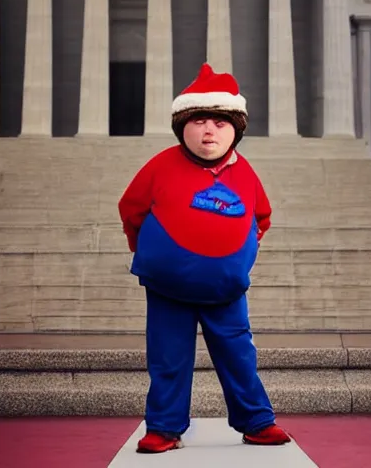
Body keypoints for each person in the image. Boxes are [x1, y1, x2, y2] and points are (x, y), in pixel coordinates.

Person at [118, 63, 291, 454]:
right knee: (168, 357)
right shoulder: (161, 165)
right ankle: (163, 427)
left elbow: (261, 216)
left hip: (225, 289)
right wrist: (147, 249)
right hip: (168, 287)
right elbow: (131, 209)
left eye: (219, 122)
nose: (209, 130)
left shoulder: (245, 173)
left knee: (238, 356)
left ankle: (256, 421)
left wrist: (240, 255)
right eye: (199, 121)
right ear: (183, 127)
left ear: (236, 130)